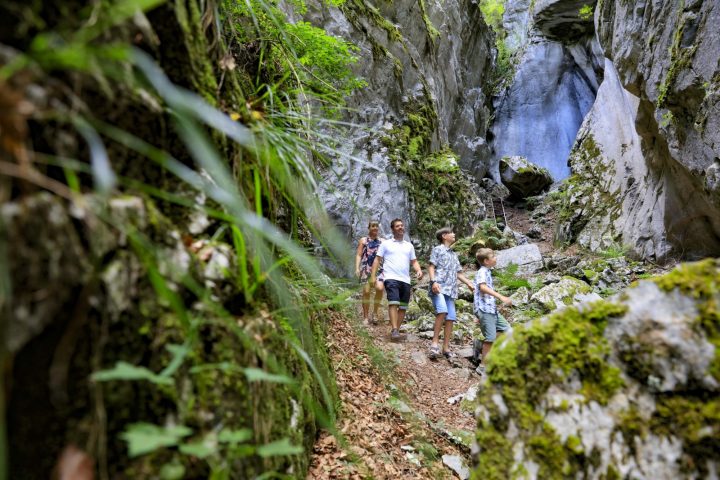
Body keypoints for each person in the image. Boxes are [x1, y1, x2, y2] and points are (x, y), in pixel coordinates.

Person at [370, 218, 423, 342]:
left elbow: (414, 261)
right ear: (393, 229)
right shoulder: (386, 244)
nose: (401, 227)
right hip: (391, 277)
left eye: (402, 225)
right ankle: (394, 329)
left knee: (403, 307)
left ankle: (396, 330)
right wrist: (373, 276)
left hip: (405, 279)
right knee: (393, 302)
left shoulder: (409, 246)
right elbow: (377, 260)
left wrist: (418, 270)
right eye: (398, 226)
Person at [427, 227, 474, 360]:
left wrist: (469, 283)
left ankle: (446, 348)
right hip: (439, 287)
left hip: (451, 290)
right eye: (452, 233)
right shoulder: (437, 249)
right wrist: (433, 281)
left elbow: (459, 273)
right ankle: (434, 344)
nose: (454, 234)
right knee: (442, 311)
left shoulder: (454, 254)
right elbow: (431, 266)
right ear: (444, 236)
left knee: (451, 317)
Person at [473, 248, 512, 375]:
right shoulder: (482, 272)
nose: (496, 258)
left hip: (491, 310)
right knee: (490, 338)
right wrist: (500, 297)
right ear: (486, 261)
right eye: (493, 256)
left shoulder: (488, 271)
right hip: (485, 310)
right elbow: (482, 287)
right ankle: (482, 367)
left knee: (507, 330)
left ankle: (480, 345)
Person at [354, 220, 385, 324]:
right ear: (369, 228)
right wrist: (357, 268)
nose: (375, 228)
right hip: (366, 268)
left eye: (376, 226)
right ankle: (366, 317)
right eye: (373, 226)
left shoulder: (383, 241)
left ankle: (375, 313)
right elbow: (358, 254)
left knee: (380, 289)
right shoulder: (363, 240)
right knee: (366, 292)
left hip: (379, 269)